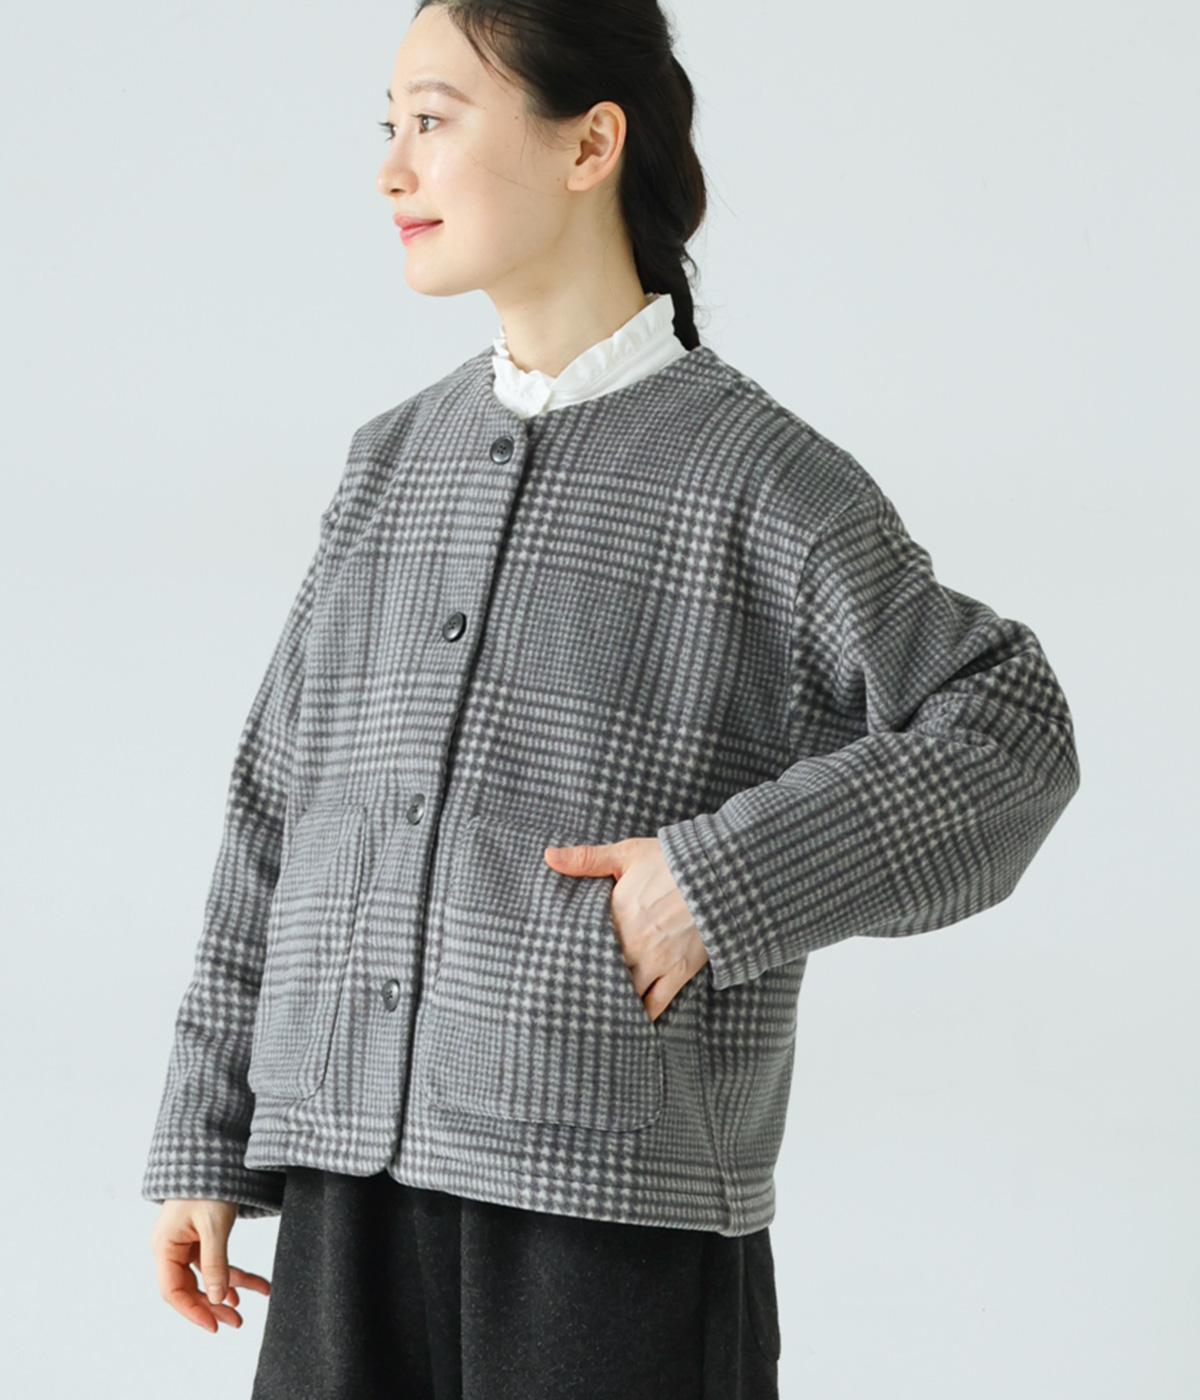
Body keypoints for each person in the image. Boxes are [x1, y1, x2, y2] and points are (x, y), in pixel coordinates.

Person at [143, 4, 1081, 1398]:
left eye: (434, 119)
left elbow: (1011, 731)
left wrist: (716, 885)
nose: (392, 169)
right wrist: (204, 1140)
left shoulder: (760, 481)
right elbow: (277, 804)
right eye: (389, 127)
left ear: (589, 146)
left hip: (611, 1224)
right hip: (345, 1205)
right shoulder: (390, 464)